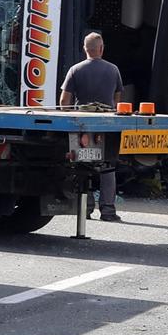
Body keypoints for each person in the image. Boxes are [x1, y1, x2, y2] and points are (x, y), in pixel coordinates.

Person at [59, 32, 123, 221]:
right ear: (101, 48)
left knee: (81, 166)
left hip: (82, 126)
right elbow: (118, 101)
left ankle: (85, 209)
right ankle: (108, 210)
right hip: (107, 126)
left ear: (85, 49)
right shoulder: (113, 70)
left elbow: (64, 101)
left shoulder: (75, 70)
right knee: (108, 166)